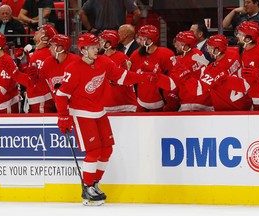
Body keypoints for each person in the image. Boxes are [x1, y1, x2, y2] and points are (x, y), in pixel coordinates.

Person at [54, 32, 164, 205]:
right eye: (92, 47)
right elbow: (61, 94)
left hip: (100, 111)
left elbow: (121, 77)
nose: (96, 49)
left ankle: (94, 184)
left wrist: (143, 78)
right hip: (82, 114)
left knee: (107, 150)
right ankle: (87, 186)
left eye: (96, 46)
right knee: (93, 151)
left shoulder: (104, 62)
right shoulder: (73, 68)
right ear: (83, 50)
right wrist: (63, 117)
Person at [181, 34, 252, 111]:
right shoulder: (234, 53)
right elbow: (224, 65)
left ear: (217, 50)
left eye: (210, 48)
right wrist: (208, 64)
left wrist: (185, 75)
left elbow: (197, 89)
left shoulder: (213, 71)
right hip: (246, 104)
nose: (208, 50)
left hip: (228, 110)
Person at [130, 24, 176, 112]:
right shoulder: (135, 55)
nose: (139, 41)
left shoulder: (166, 54)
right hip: (141, 103)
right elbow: (130, 80)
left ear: (150, 40)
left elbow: (173, 81)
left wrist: (171, 101)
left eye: (142, 38)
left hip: (161, 103)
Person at [12, 24, 58, 113]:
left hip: (42, 99)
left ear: (45, 38)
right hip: (36, 98)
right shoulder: (38, 52)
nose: (36, 32)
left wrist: (14, 73)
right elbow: (31, 76)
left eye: (40, 31)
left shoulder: (46, 55)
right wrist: (23, 62)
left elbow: (33, 81)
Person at [168, 30, 213, 112]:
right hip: (207, 101)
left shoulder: (181, 63)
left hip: (190, 103)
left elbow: (171, 84)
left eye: (177, 43)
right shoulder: (197, 53)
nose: (175, 46)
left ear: (185, 46)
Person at [99, 29, 138, 112]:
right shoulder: (99, 59)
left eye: (102, 41)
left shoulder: (123, 58)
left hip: (125, 104)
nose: (99, 42)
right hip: (106, 104)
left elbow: (128, 79)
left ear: (109, 43)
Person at [236, 21, 259, 110]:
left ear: (248, 38)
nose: (237, 36)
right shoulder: (246, 47)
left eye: (240, 34)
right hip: (253, 95)